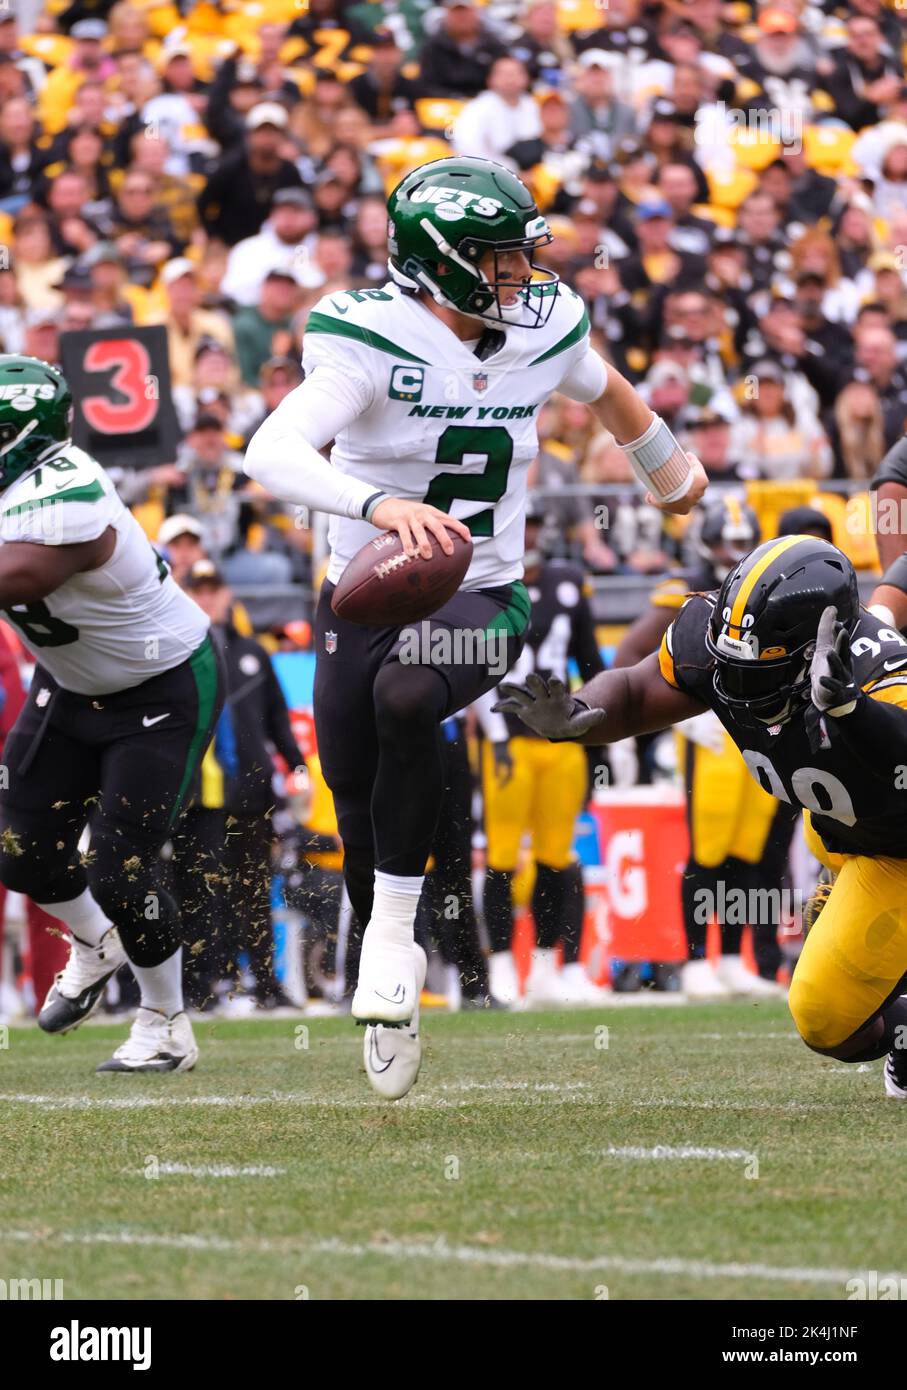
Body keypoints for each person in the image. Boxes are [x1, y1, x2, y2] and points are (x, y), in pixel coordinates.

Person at [245, 156, 707, 1100]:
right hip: (363, 590)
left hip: (484, 589)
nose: (522, 277)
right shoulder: (365, 334)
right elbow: (270, 449)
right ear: (444, 262)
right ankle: (392, 983)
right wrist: (377, 506)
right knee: (354, 782)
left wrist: (666, 466)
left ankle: (389, 939)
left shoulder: (540, 327)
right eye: (500, 259)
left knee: (407, 699)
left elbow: (605, 386)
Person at [496, 536, 907, 1100]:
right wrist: (578, 715)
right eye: (726, 664)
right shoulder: (724, 635)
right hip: (852, 832)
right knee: (827, 1021)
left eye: (753, 671)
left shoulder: (879, 671)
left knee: (833, 997)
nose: (731, 686)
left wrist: (855, 713)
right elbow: (639, 693)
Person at [0, 354, 225, 1073]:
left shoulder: (71, 490)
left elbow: (24, 573)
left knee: (122, 868)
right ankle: (95, 942)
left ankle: (165, 1023)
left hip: (160, 687)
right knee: (18, 848)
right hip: (69, 683)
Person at [476, 496, 608, 1007]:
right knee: (503, 858)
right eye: (519, 525)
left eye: (531, 526)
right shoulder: (484, 583)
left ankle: (553, 966)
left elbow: (591, 660)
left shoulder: (567, 583)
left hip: (561, 738)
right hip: (507, 739)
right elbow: (472, 665)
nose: (525, 535)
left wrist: (603, 735)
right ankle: (506, 966)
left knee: (558, 856)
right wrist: (491, 739)